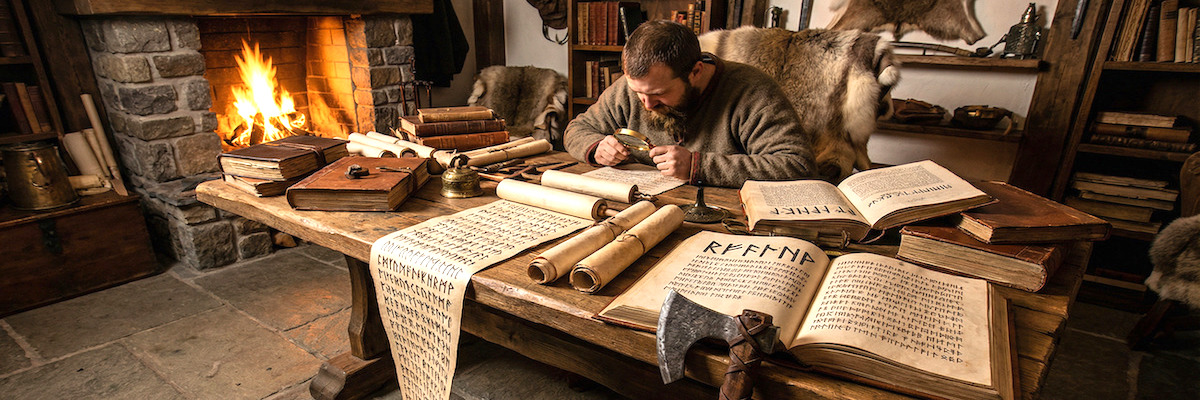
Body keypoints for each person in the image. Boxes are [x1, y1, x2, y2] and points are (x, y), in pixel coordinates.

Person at [563, 21, 815, 188]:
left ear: (696, 72)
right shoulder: (635, 88)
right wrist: (596, 148)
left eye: (659, 93)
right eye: (638, 92)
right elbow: (577, 129)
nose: (646, 104)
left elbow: (797, 164)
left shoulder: (752, 91)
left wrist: (699, 166)